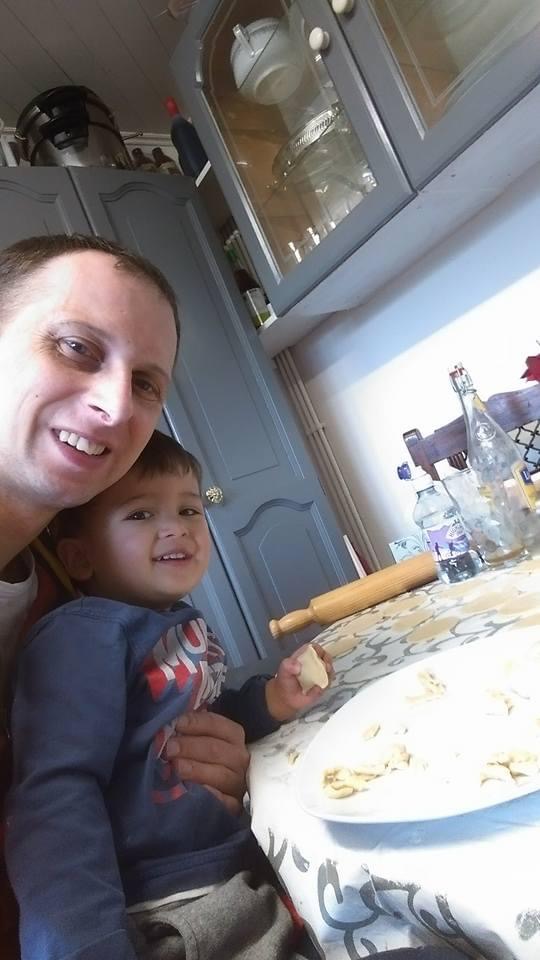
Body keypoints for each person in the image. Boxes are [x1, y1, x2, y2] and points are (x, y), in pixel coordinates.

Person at [0, 234, 249, 958]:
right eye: (76, 347)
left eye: (145, 383)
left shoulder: (67, 591)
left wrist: (217, 748)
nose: (114, 405)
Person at [6, 430, 334, 960]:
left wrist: (271, 699)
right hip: (165, 907)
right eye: (140, 514)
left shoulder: (179, 623)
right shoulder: (81, 636)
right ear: (79, 557)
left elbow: (199, 719)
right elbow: (55, 794)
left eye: (188, 510)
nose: (177, 528)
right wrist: (84, 944)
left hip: (234, 867)